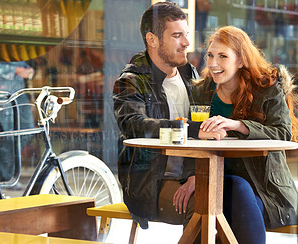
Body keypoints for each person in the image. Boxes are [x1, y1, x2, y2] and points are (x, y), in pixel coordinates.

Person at [112, 2, 226, 231]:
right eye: (177, 36)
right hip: (150, 182)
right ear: (152, 40)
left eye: (186, 34)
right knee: (203, 208)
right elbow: (135, 125)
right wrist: (191, 129)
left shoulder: (191, 75)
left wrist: (197, 177)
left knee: (237, 200)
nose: (187, 43)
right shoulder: (131, 81)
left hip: (194, 174)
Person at [193, 26, 298, 244]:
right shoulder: (201, 91)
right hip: (214, 180)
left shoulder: (267, 88)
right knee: (221, 199)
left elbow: (282, 133)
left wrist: (240, 125)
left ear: (241, 60)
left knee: (236, 191)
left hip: (265, 190)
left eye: (223, 56)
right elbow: (190, 135)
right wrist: (191, 177)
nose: (213, 63)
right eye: (210, 55)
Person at [0, 58, 36, 181]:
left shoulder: (11, 47)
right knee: (9, 136)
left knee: (29, 131)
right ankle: (7, 176)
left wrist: (28, 69)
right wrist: (15, 70)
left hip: (20, 94)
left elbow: (21, 64)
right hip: (3, 96)